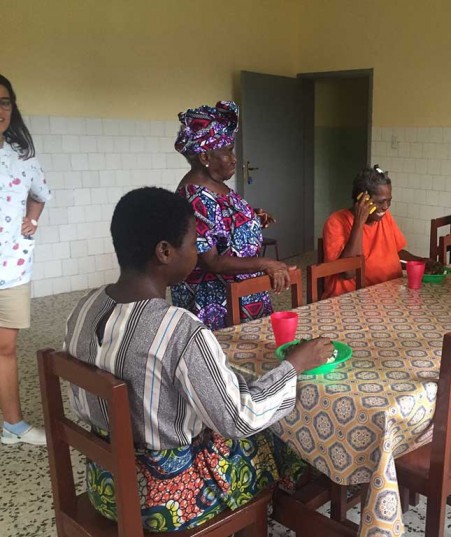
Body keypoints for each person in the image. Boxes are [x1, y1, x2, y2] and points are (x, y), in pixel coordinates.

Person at [65, 187, 333, 532]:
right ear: (164, 252)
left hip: (104, 483)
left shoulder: (83, 308)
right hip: (166, 497)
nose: (198, 253)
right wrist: (294, 365)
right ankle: (297, 512)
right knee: (279, 437)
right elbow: (239, 419)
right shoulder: (178, 328)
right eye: (193, 244)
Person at [171, 101, 289, 330]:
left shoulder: (214, 184)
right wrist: (266, 262)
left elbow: (221, 224)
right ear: (205, 158)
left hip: (242, 290)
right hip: (217, 301)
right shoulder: (194, 197)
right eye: (227, 151)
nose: (234, 158)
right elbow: (212, 261)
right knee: (226, 357)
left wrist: (251, 219)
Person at [0, 74, 50, 446]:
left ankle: (13, 425)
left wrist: (32, 219)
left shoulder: (21, 156)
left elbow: (40, 193)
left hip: (11, 268)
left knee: (5, 347)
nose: (0, 110)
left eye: (4, 101)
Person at [322, 165, 435, 298]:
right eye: (380, 202)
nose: (386, 207)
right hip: (351, 300)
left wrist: (420, 261)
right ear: (362, 199)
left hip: (386, 293)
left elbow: (397, 252)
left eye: (389, 201)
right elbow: (348, 273)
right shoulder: (335, 222)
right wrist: (359, 223)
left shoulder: (384, 217)